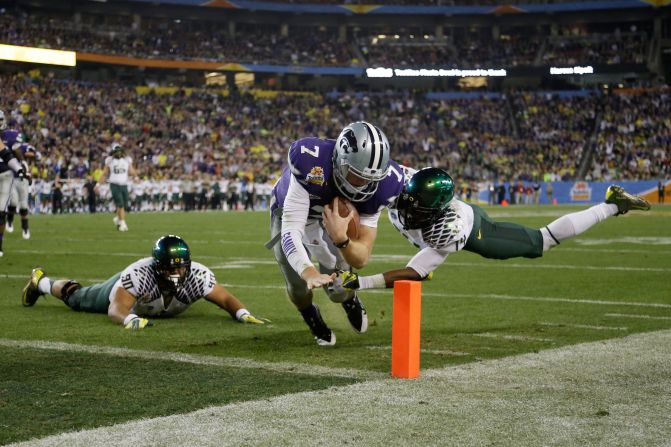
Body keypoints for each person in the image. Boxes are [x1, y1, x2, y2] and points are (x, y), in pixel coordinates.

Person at [329, 167, 651, 292]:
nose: (407, 209)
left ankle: (612, 204)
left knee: (542, 242)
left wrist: (360, 284)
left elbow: (416, 273)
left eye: (418, 208)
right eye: (408, 202)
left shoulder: (447, 229)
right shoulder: (400, 186)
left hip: (476, 231)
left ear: (434, 211)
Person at [269, 121, 404, 346]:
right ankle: (310, 315)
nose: (363, 185)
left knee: (340, 288)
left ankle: (349, 300)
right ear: (339, 162)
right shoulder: (311, 163)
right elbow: (290, 233)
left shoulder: (386, 184)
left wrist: (342, 239)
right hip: (288, 213)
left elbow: (361, 258)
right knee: (297, 285)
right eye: (356, 176)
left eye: (371, 179)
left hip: (333, 219)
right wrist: (309, 271)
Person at [21, 235, 269, 329]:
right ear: (158, 266)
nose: (179, 271)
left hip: (150, 305)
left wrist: (242, 313)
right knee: (78, 298)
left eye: (182, 265)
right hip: (119, 290)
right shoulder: (139, 275)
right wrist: (129, 320)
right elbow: (116, 309)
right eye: (172, 266)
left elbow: (224, 298)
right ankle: (41, 282)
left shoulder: (198, 275)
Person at [0, 110, 32, 257]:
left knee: (1, 212)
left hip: (6, 175)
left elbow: (6, 155)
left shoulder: (8, 138)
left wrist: (20, 169)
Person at [97, 143, 135, 231]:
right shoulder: (109, 160)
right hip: (114, 184)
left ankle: (118, 219)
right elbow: (105, 173)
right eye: (116, 151)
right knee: (120, 204)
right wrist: (98, 184)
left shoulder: (127, 160)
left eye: (119, 151)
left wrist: (134, 175)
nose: (118, 153)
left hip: (124, 185)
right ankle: (122, 223)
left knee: (125, 205)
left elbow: (132, 172)